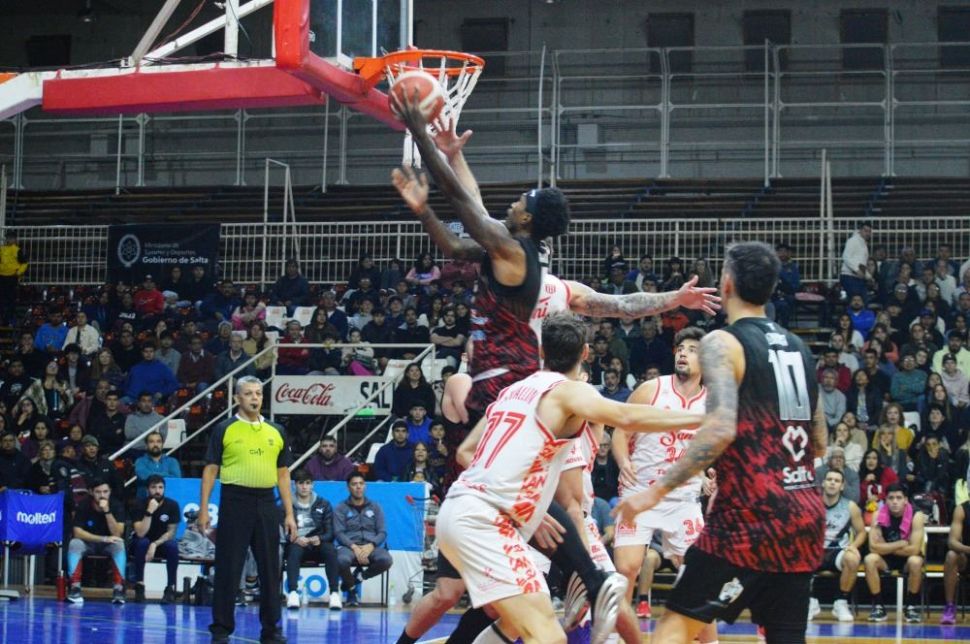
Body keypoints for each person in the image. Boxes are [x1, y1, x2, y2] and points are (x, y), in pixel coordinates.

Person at [436, 313, 703, 644]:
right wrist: (703, 418)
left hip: (460, 508)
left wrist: (529, 506)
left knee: (518, 623)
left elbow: (466, 451)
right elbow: (625, 415)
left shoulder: (514, 390)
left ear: (541, 351)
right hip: (485, 520)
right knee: (547, 635)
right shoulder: (568, 392)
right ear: (586, 352)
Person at [613, 241, 826, 644]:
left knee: (674, 629)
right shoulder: (800, 349)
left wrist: (654, 492)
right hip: (803, 513)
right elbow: (819, 440)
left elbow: (720, 429)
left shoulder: (721, 342)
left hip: (747, 513)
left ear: (726, 283)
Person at [611, 326, 714, 639]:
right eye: (680, 348)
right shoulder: (651, 389)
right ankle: (618, 638)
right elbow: (620, 431)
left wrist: (709, 473)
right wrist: (624, 462)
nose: (683, 353)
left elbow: (708, 448)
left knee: (699, 575)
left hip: (682, 499)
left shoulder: (712, 402)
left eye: (692, 350)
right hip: (640, 491)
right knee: (626, 569)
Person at [197, 376, 297, 644]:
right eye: (249, 393)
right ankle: (221, 629)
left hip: (267, 502)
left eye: (258, 393)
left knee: (270, 569)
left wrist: (289, 513)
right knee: (228, 568)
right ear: (237, 398)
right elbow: (210, 470)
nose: (255, 398)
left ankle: (271, 630)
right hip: (234, 501)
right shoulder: (224, 429)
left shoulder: (276, 430)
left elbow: (283, 474)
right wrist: (204, 509)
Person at [863, 483, 926, 623]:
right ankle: (879, 607)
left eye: (899, 498)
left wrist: (885, 546)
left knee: (916, 561)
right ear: (886, 500)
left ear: (906, 500)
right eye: (891, 498)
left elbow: (914, 550)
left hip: (907, 559)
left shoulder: (916, 515)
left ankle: (911, 607)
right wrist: (901, 543)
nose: (895, 501)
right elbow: (873, 548)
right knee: (869, 559)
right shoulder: (878, 515)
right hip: (885, 559)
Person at [809, 469, 866, 622]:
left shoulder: (850, 506)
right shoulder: (812, 504)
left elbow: (862, 532)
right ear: (823, 483)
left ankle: (841, 602)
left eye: (836, 481)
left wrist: (853, 546)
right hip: (816, 551)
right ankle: (810, 601)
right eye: (829, 480)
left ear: (842, 486)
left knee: (853, 559)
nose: (832, 483)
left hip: (838, 551)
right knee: (798, 555)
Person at [284, 469, 342, 611]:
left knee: (330, 550)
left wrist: (319, 538)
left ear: (312, 485)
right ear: (294, 485)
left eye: (307, 483)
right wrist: (295, 538)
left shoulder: (323, 504)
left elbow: (330, 533)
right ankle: (293, 593)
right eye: (301, 483)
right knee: (293, 551)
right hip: (297, 543)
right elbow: (281, 532)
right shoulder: (287, 505)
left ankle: (334, 593)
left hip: (317, 544)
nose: (304, 487)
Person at [333, 472, 393, 607]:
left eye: (361, 483)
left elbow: (382, 532)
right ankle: (352, 592)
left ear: (365, 486)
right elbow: (338, 532)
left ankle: (358, 578)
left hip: (371, 546)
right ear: (348, 487)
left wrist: (371, 545)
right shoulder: (340, 508)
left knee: (386, 560)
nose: (358, 487)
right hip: (349, 547)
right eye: (354, 484)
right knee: (341, 560)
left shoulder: (375, 506)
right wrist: (354, 547)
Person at [67, 478, 127, 604]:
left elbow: (117, 534)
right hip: (89, 543)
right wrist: (103, 538)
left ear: (110, 492)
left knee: (119, 544)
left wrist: (107, 511)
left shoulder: (116, 505)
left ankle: (119, 588)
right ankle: (75, 587)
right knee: (74, 543)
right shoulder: (83, 505)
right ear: (91, 492)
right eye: (98, 492)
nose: (102, 495)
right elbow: (77, 532)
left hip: (109, 544)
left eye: (105, 492)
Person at [131, 474, 180, 604]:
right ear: (147, 489)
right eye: (153, 487)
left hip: (160, 543)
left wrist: (154, 544)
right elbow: (140, 533)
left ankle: (170, 588)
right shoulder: (138, 504)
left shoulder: (172, 505)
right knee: (142, 542)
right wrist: (149, 512)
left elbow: (171, 532)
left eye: (160, 487)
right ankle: (139, 586)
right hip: (141, 542)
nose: (157, 491)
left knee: (172, 546)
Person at [940, 496, 970, 624]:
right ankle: (949, 606)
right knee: (951, 555)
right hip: (966, 556)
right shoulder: (962, 509)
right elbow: (952, 542)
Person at [133, 431, 181, 498]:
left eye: (158, 441)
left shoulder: (172, 461)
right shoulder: (140, 461)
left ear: (162, 444)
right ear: (146, 445)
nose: (155, 444)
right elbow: (144, 476)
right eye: (151, 442)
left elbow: (176, 479)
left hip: (168, 498)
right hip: (145, 500)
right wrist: (166, 475)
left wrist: (152, 475)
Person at [0, 232, 28, 325]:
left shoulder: (17, 250)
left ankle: (10, 318)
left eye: (11, 238)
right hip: (2, 276)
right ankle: (3, 318)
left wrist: (18, 273)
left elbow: (24, 263)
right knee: (2, 298)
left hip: (12, 277)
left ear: (15, 239)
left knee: (11, 299)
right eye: (8, 238)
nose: (9, 240)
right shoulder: (2, 249)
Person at [840, 221, 872, 302]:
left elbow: (862, 265)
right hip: (849, 276)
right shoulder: (853, 241)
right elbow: (846, 257)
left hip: (857, 278)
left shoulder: (864, 245)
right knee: (857, 301)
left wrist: (869, 277)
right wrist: (857, 270)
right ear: (860, 230)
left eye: (869, 231)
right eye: (865, 231)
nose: (867, 233)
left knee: (862, 301)